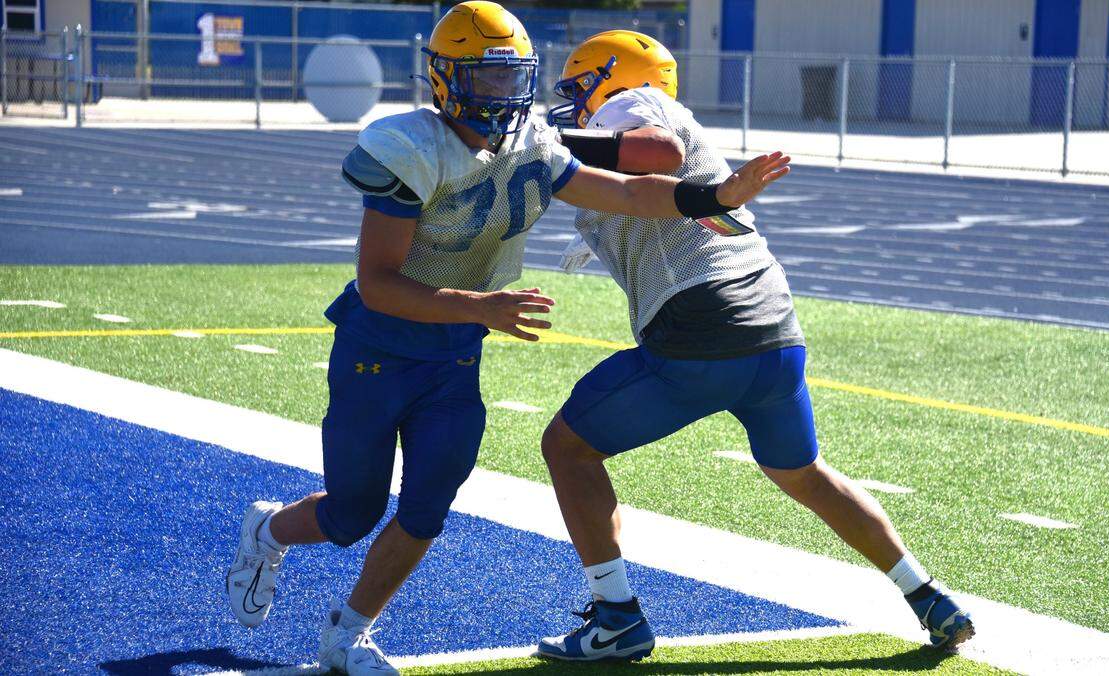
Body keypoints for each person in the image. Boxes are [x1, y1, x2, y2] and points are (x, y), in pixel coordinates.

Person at [223, 5, 793, 674]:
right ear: (446, 79)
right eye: (485, 78)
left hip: (455, 357)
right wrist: (482, 304)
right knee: (353, 513)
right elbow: (377, 283)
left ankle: (347, 637)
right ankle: (266, 531)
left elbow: (631, 193)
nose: (500, 94)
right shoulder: (406, 145)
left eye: (509, 78)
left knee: (426, 510)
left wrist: (714, 195)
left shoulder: (533, 143)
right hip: (378, 350)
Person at [536, 30, 974, 663]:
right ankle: (927, 594)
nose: (576, 106)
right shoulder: (649, 123)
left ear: (615, 77)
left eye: (581, 89)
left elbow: (652, 152)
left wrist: (545, 143)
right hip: (775, 331)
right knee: (803, 472)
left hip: (701, 328)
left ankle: (616, 617)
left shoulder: (630, 107)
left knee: (568, 448)